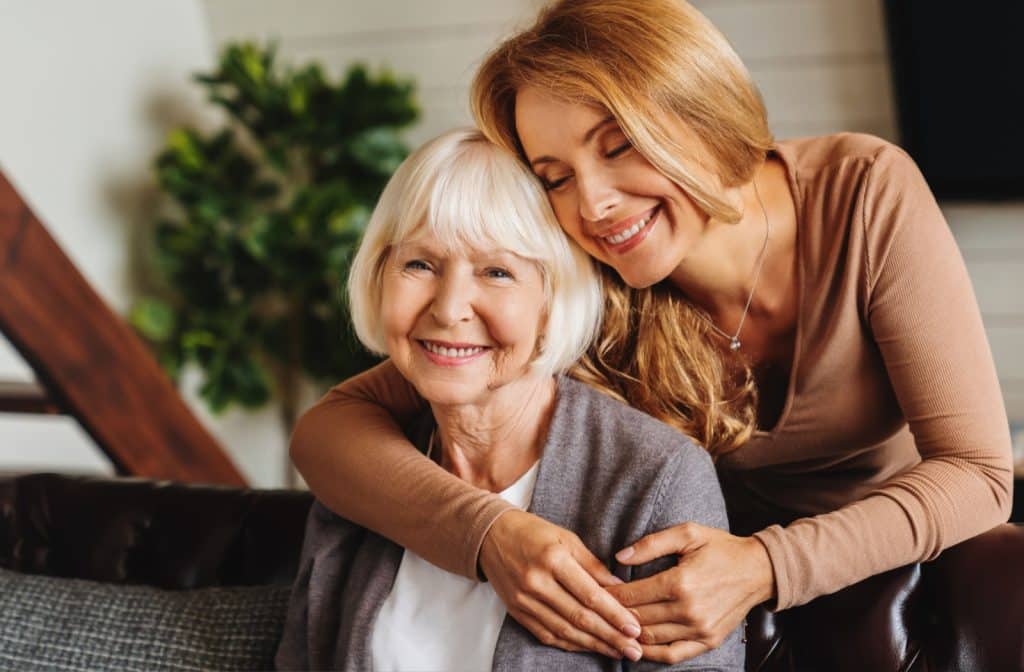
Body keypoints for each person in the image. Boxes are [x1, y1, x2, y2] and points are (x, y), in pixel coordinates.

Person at [289, 0, 1014, 664]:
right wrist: (489, 535)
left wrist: (764, 566)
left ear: (697, 108)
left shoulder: (862, 192)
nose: (594, 205)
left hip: (901, 567)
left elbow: (978, 475)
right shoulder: (588, 273)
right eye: (555, 177)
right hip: (692, 601)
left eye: (617, 145)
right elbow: (331, 431)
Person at [275, 128, 744, 671]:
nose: (449, 309)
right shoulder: (364, 477)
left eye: (497, 272)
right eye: (419, 265)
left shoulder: (653, 479)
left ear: (553, 297)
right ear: (378, 276)